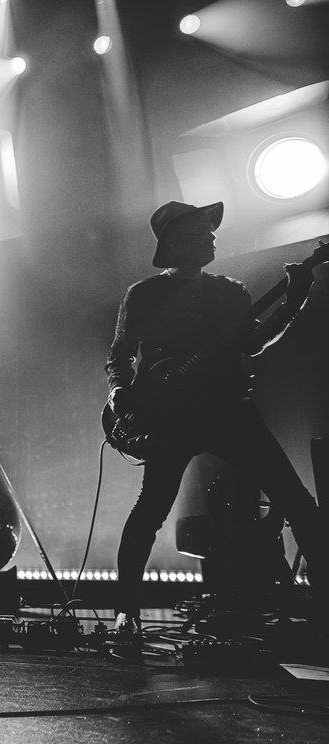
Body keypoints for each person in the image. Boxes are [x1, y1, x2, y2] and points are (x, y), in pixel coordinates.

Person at [105, 201, 325, 632]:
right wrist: (118, 391)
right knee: (150, 511)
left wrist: (294, 301)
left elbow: (253, 342)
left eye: (211, 233)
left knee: (296, 500)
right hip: (170, 416)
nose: (212, 238)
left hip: (228, 411)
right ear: (175, 243)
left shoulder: (230, 291)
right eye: (202, 233)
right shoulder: (144, 295)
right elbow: (119, 353)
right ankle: (125, 612)